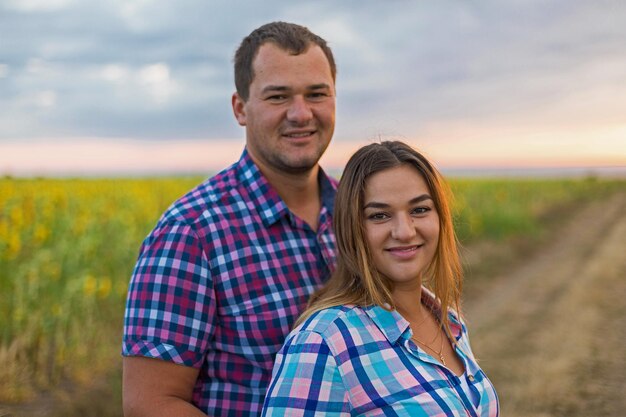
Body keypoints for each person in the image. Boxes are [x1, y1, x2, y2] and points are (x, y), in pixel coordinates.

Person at [122, 21, 338, 417]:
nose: (301, 113)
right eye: (278, 97)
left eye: (317, 94)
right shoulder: (190, 233)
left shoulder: (359, 210)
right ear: (240, 108)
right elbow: (150, 404)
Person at [262, 141, 500, 416]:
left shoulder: (446, 319)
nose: (404, 231)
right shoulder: (322, 343)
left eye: (419, 210)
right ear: (352, 228)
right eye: (380, 215)